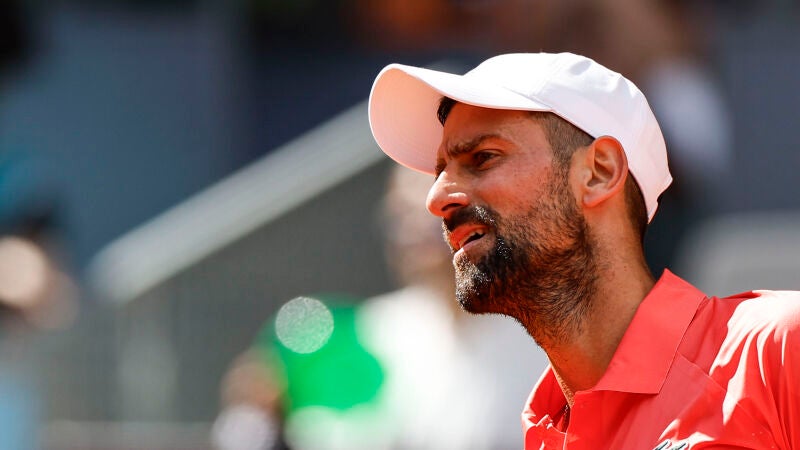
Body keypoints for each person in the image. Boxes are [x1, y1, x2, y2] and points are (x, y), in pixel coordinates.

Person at [367, 52, 800, 449]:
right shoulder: (543, 431)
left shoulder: (775, 347)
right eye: (440, 171)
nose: (435, 199)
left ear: (599, 172)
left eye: (482, 157)